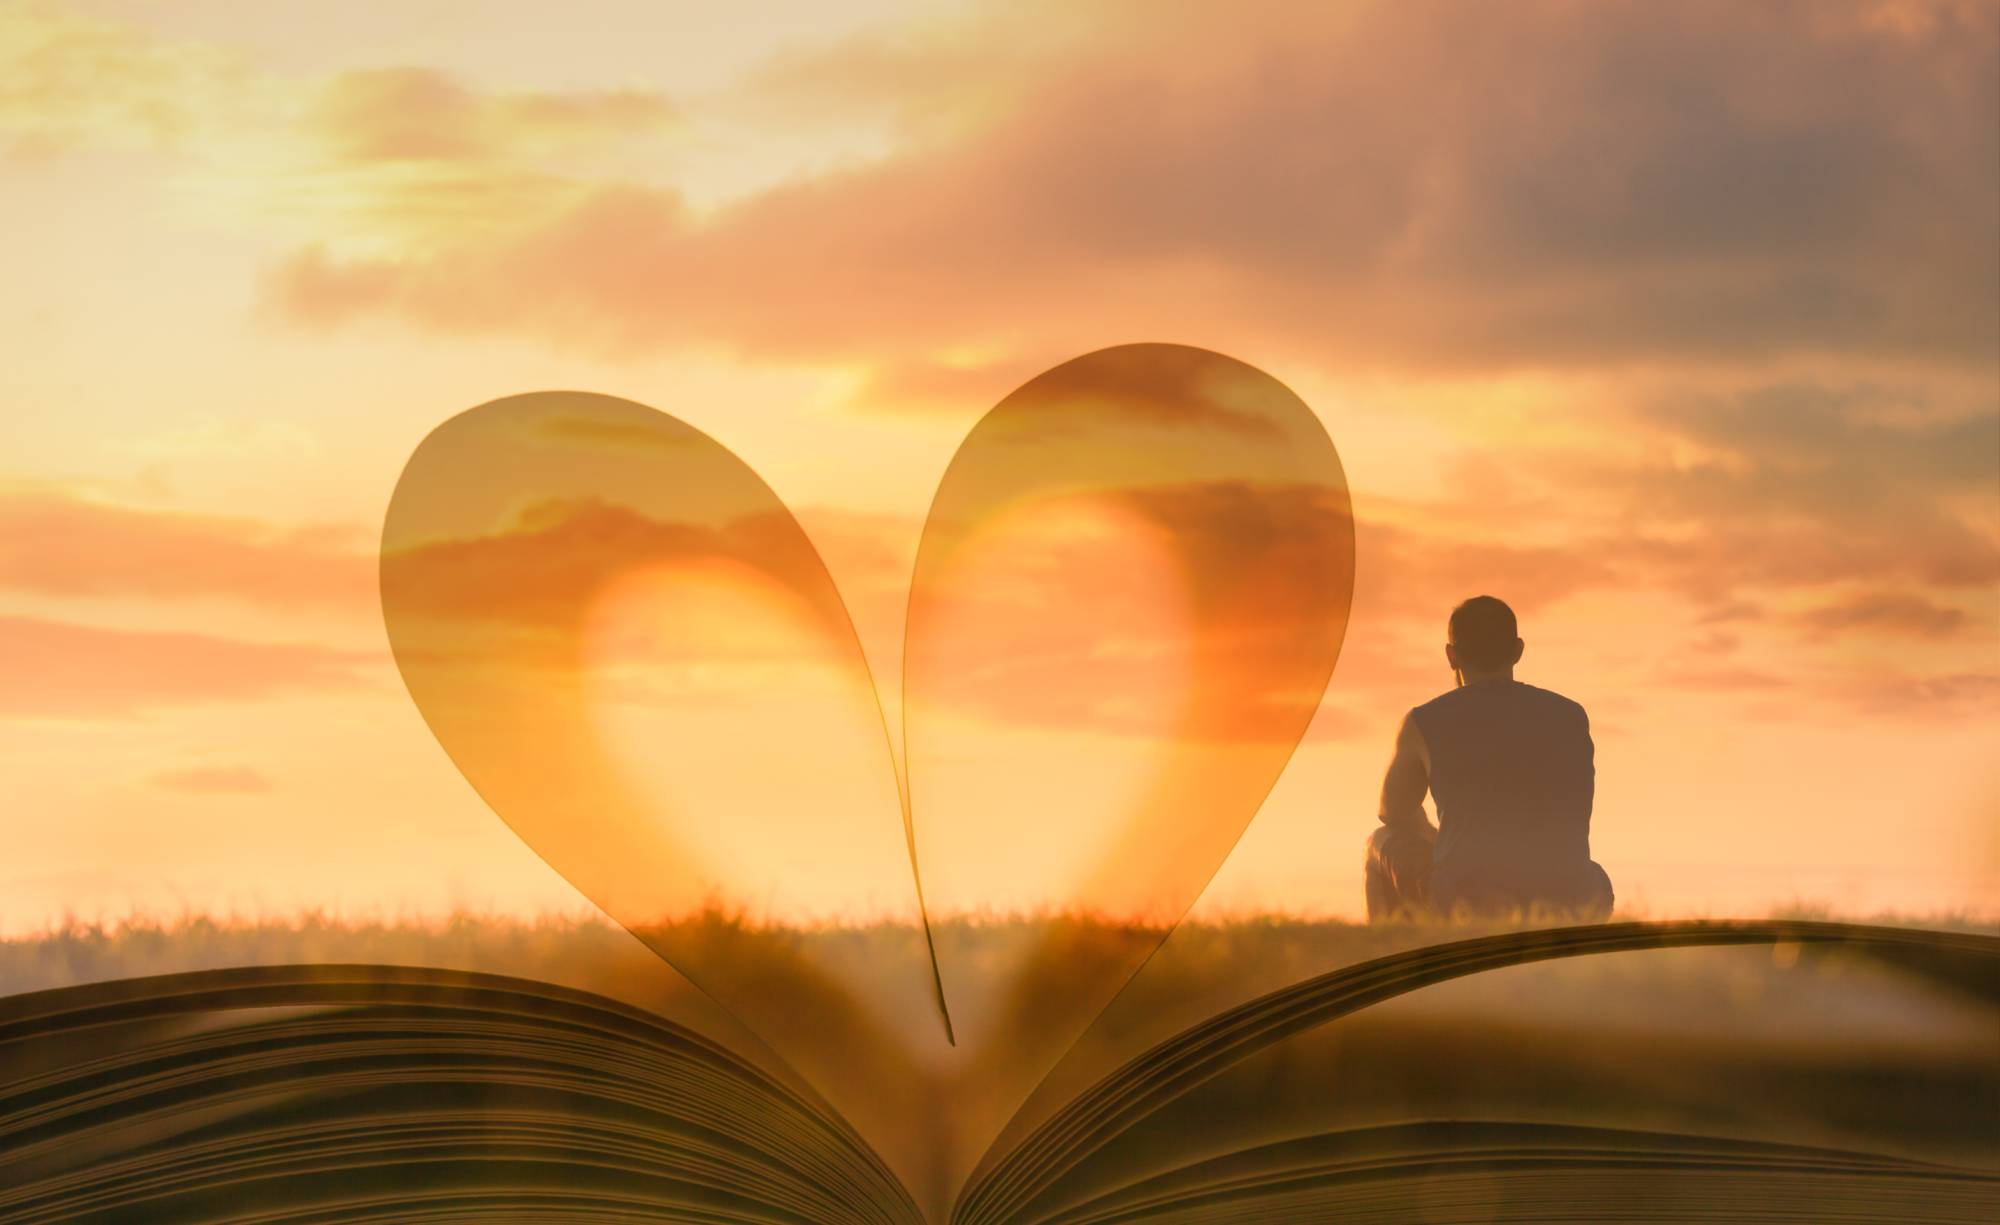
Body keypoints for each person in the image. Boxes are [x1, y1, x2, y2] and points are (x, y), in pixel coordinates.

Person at [1365, 595, 1613, 920]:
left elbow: (1392, 813)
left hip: (1468, 902)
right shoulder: (1570, 715)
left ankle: (1391, 956)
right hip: (1574, 897)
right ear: (1518, 650)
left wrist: (1433, 836)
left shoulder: (1425, 721)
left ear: (1451, 656)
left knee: (1380, 841)